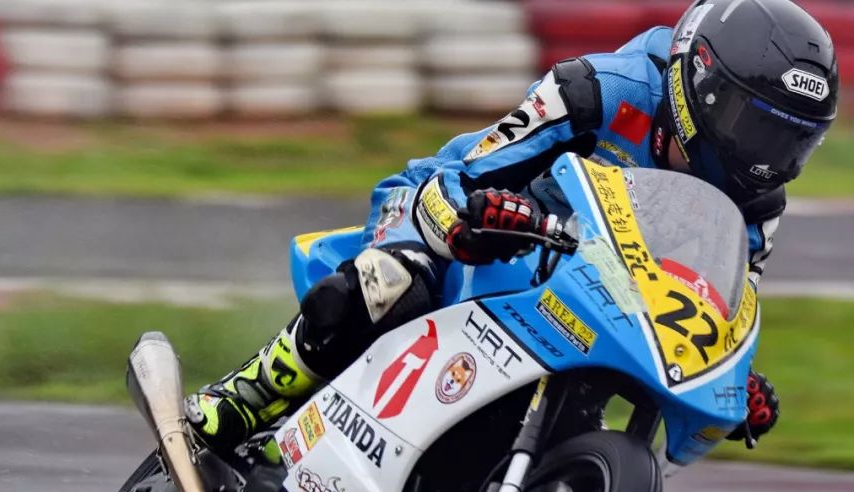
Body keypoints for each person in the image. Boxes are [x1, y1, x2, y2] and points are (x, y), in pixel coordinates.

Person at [186, 0, 837, 453]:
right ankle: (247, 396)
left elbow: (714, 305)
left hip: (589, 292)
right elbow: (466, 170)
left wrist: (731, 378)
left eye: (792, 144)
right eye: (758, 128)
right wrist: (479, 214)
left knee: (609, 396)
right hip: (457, 209)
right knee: (396, 278)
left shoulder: (756, 207)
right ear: (704, 85)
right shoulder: (600, 89)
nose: (767, 160)